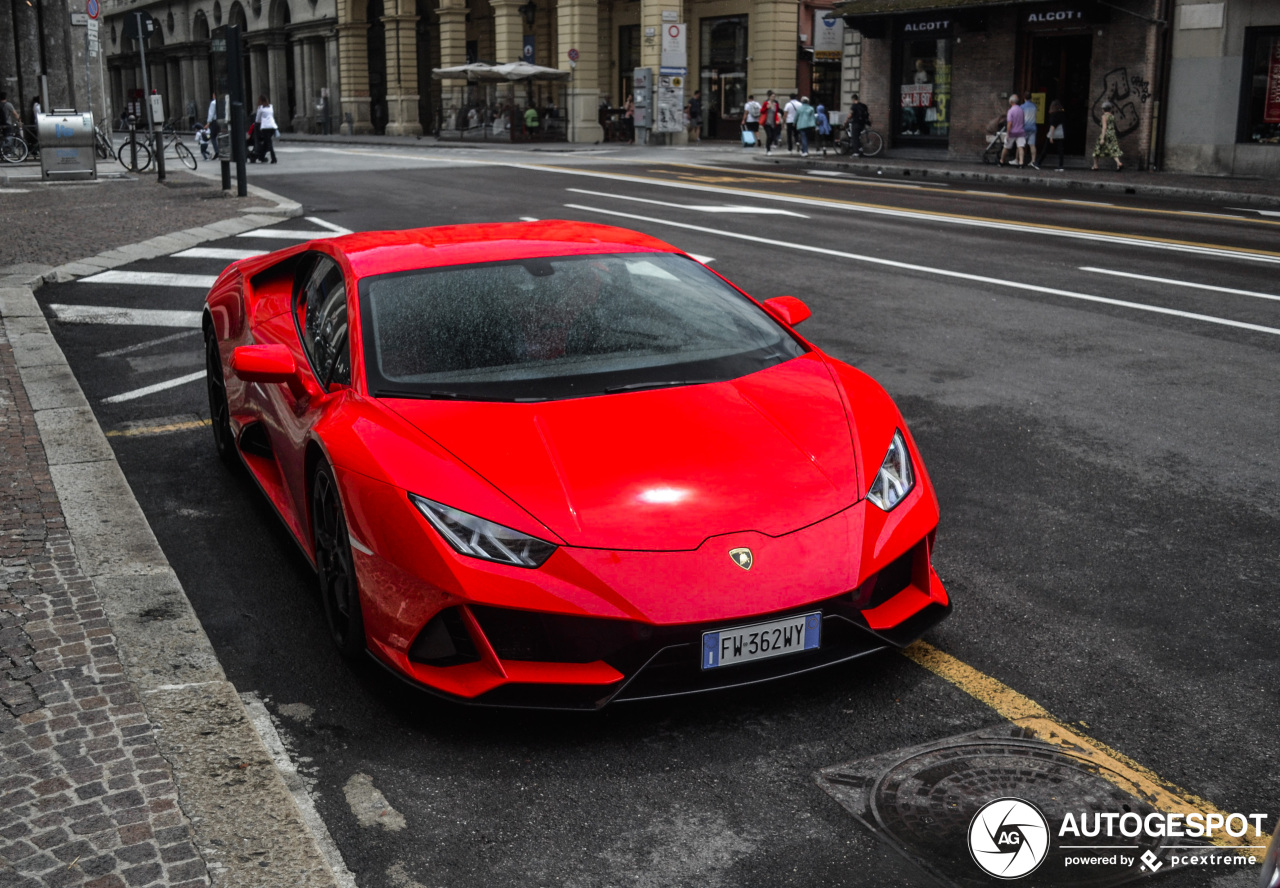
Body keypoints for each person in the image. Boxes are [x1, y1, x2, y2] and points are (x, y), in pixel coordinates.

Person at [1092, 100, 1123, 171]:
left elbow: (1104, 127)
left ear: (1103, 109)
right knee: (1113, 149)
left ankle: (1095, 165)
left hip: (1106, 134)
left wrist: (1102, 138)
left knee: (1097, 149)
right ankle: (1118, 163)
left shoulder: (1104, 116)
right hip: (1112, 134)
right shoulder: (1112, 116)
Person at [999, 93, 1026, 167]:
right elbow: (1023, 121)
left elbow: (1009, 123)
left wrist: (1008, 133)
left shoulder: (1010, 111)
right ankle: (1021, 162)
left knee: (1006, 147)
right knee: (1020, 147)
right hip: (1021, 131)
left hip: (1012, 132)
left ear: (1011, 102)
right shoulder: (1021, 110)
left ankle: (1001, 161)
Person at [251, 95, 277, 163]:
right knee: (266, 142)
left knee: (269, 143)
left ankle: (274, 158)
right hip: (272, 127)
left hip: (265, 127)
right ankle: (261, 156)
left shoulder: (260, 108)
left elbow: (257, 120)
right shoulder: (271, 107)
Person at [760, 91, 783, 156]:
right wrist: (767, 107)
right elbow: (762, 111)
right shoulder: (766, 103)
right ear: (769, 96)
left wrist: (778, 119)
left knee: (773, 136)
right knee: (769, 136)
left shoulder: (776, 104)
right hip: (767, 122)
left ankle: (768, 146)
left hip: (773, 122)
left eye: (774, 96)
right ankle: (768, 149)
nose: (773, 97)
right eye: (772, 96)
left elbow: (777, 112)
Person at [1046, 99, 1066, 171]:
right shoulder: (1062, 113)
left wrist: (1051, 136)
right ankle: (1061, 165)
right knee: (1060, 150)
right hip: (1061, 133)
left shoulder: (1053, 115)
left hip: (1054, 132)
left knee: (1045, 149)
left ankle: (1039, 162)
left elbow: (1053, 126)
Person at [1020, 93, 1040, 169]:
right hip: (1033, 127)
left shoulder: (1022, 107)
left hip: (1024, 127)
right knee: (1032, 145)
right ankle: (1033, 161)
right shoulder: (1034, 106)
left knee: (1021, 145)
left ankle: (1020, 161)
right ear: (1031, 98)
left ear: (1024, 98)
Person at [207, 91, 221, 159]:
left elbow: (211, 113)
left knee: (213, 137)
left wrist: (208, 123)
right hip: (221, 120)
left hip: (214, 122)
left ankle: (217, 151)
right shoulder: (221, 101)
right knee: (221, 136)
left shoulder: (213, 103)